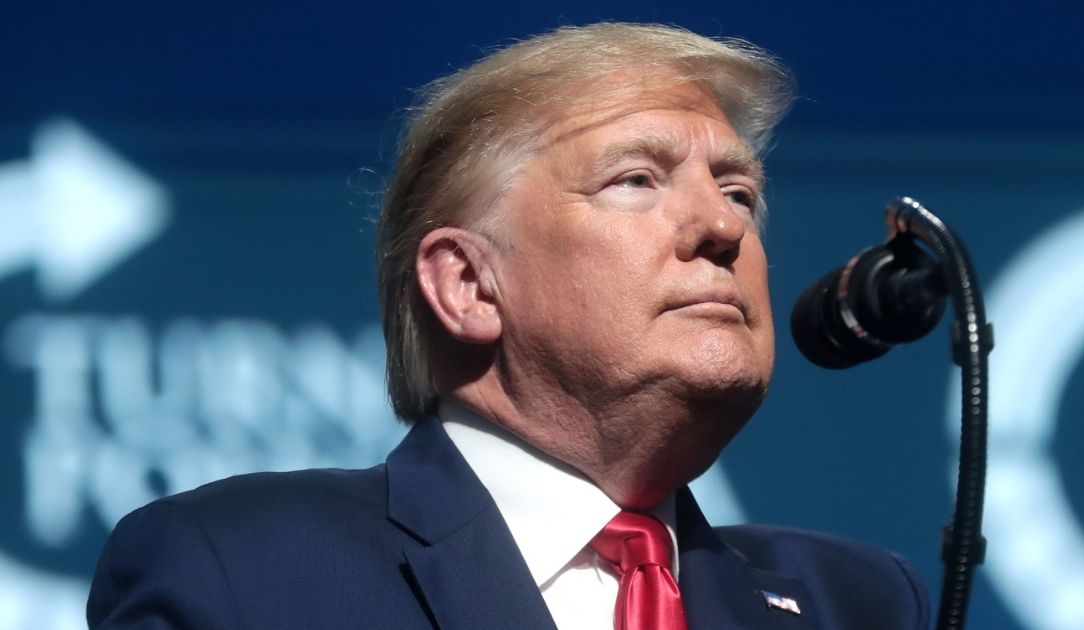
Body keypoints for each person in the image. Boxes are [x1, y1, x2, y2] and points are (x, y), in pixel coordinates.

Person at [88, 23, 930, 629]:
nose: (725, 228)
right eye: (637, 179)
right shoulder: (244, 571)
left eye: (740, 192)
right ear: (467, 285)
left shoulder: (857, 600)